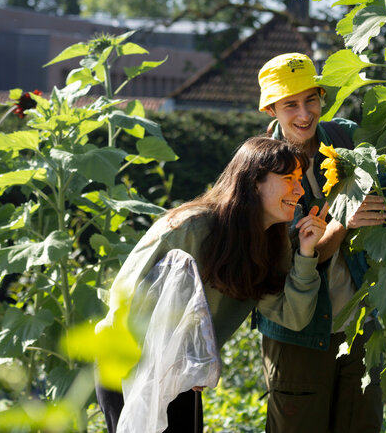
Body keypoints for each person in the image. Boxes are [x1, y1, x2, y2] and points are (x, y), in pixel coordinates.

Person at [95, 136, 329, 433]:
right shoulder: (190, 227)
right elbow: (123, 297)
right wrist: (167, 365)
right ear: (254, 181)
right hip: (126, 364)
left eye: (299, 179)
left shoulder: (272, 243)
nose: (299, 190)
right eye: (288, 178)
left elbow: (292, 316)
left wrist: (307, 253)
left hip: (181, 380)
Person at [255, 53, 386, 433]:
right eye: (291, 104)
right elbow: (293, 260)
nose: (304, 114)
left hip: (359, 323)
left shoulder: (345, 137)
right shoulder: (259, 168)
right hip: (297, 335)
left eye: (311, 100)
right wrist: (345, 221)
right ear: (272, 108)